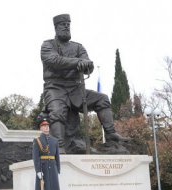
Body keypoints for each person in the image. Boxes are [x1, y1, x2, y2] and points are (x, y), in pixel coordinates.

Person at [41, 13, 128, 153]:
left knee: (103, 99)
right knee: (57, 111)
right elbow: (54, 61)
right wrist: (78, 62)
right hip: (55, 88)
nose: (66, 27)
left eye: (68, 25)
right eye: (63, 25)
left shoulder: (78, 47)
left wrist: (87, 65)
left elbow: (88, 64)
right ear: (56, 28)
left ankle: (111, 134)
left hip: (76, 88)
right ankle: (59, 146)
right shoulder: (47, 45)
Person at [32, 115, 61, 190]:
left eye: (47, 126)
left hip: (52, 167)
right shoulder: (37, 140)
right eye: (44, 126)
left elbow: (57, 155)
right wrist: (38, 171)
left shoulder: (54, 140)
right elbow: (35, 157)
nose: (46, 127)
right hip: (43, 167)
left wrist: (58, 168)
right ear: (40, 128)